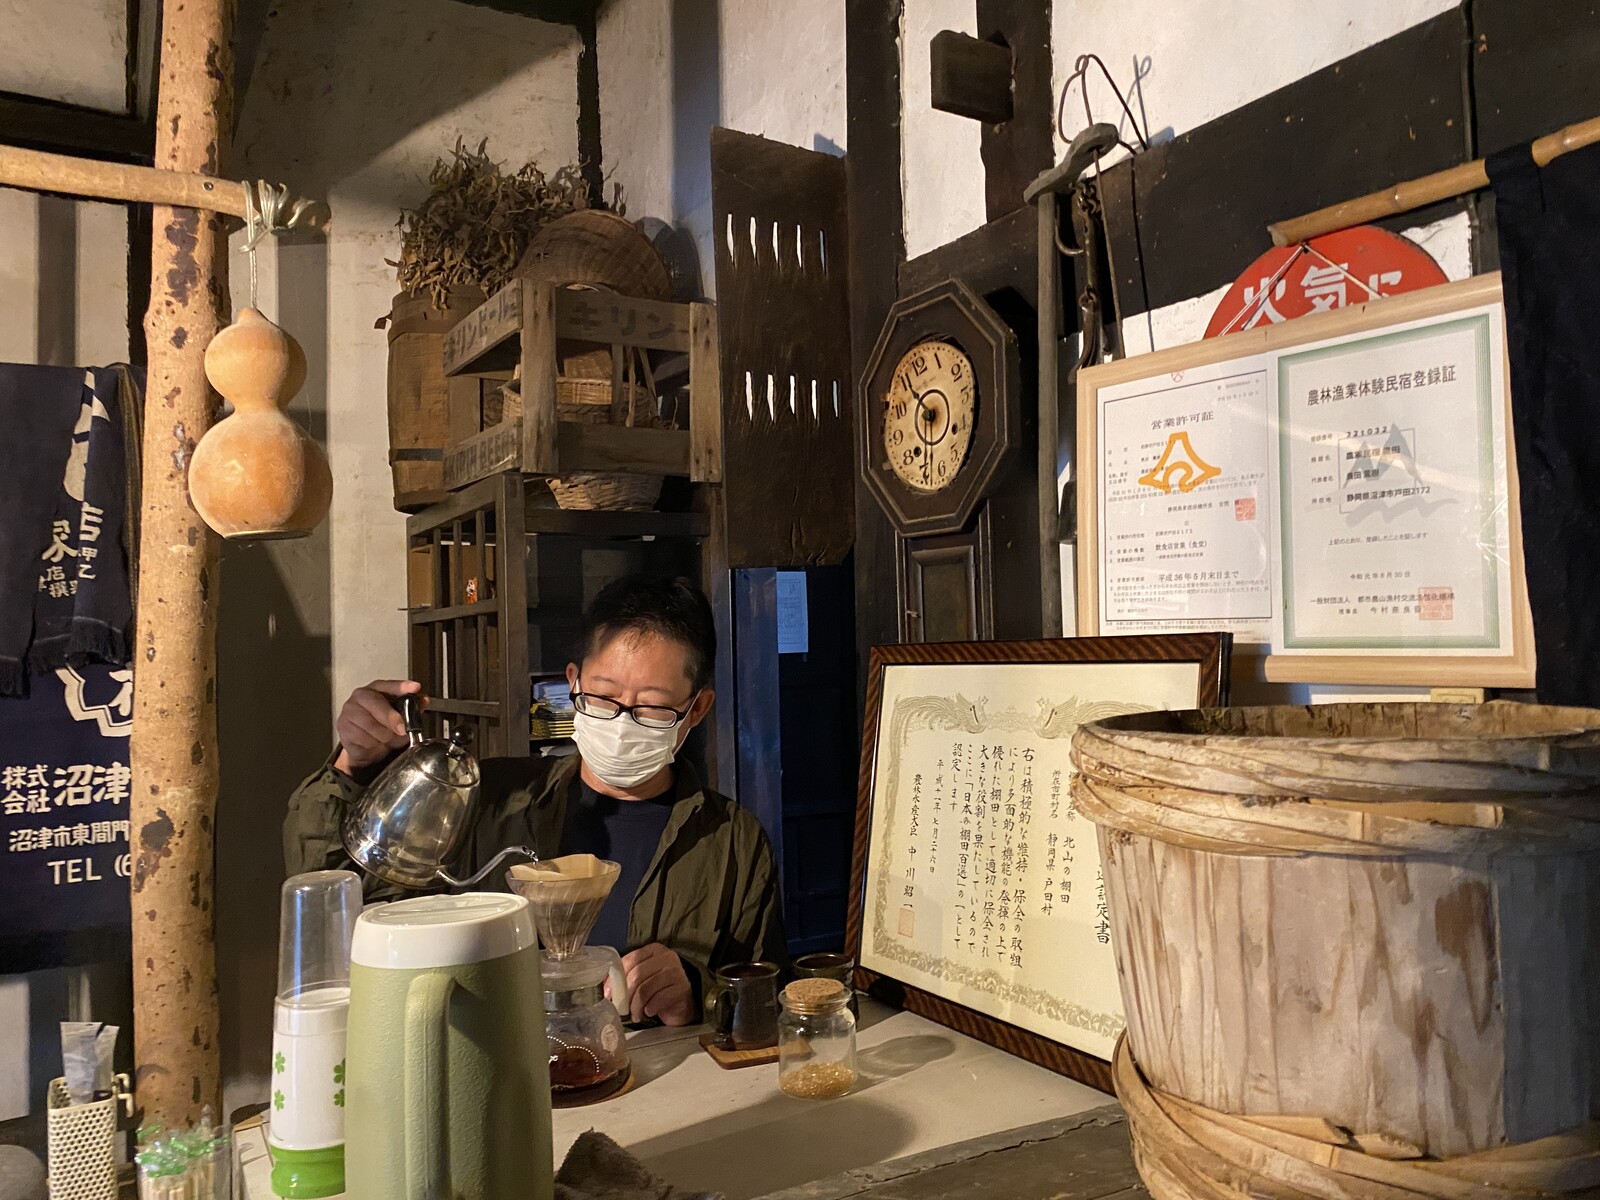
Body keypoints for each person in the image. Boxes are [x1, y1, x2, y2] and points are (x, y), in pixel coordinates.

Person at [284, 574, 785, 1027]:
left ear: (696, 709)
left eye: (652, 707)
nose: (621, 722)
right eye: (603, 696)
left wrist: (700, 992)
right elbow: (344, 909)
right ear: (573, 683)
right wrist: (352, 766)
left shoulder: (733, 843)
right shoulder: (488, 800)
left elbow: (772, 1001)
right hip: (492, 1074)